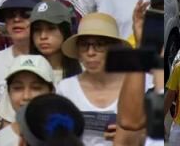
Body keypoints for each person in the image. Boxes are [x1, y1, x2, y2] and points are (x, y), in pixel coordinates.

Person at [55, 14, 128, 146]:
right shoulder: (65, 89)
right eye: (84, 45)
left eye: (99, 45)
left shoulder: (136, 87)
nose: (90, 52)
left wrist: (131, 135)